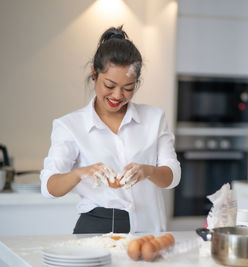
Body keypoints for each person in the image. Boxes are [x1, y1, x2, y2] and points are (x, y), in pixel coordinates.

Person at [40, 26, 181, 234]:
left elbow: (173, 176)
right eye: (110, 85)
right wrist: (81, 172)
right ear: (94, 74)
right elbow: (49, 187)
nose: (117, 95)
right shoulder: (70, 126)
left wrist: (148, 171)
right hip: (95, 226)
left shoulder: (154, 118)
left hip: (147, 230)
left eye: (128, 88)